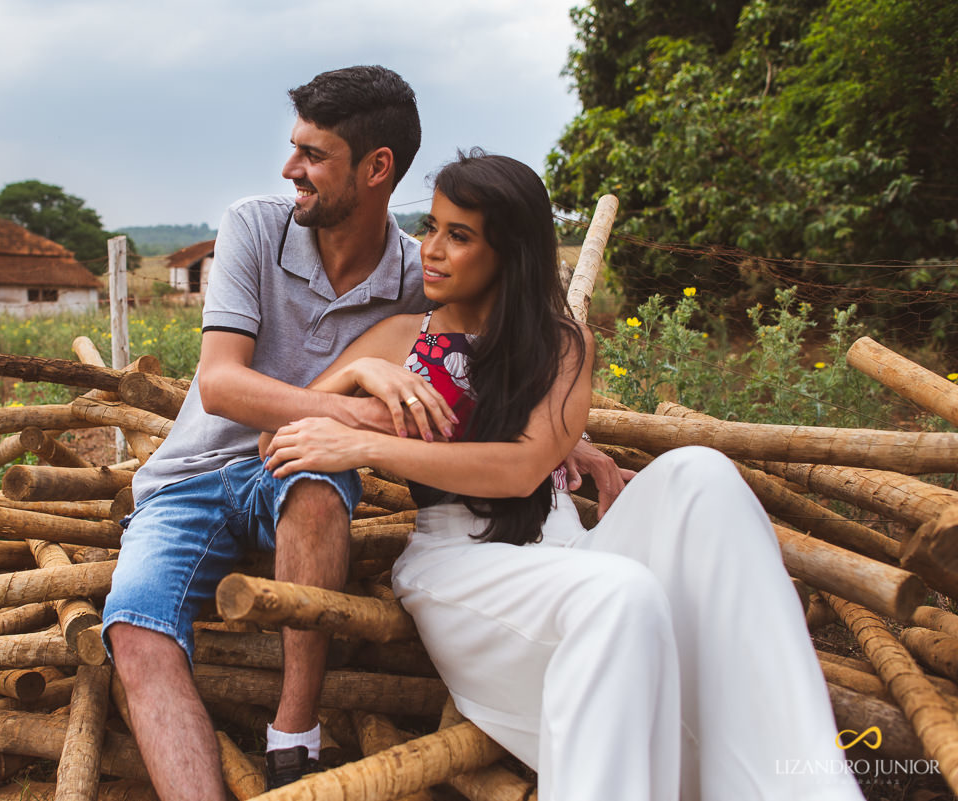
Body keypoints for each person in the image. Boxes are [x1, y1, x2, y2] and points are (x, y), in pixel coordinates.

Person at [262, 151, 865, 800]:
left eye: (458, 235)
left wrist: (365, 439)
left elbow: (521, 467)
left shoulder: (560, 344)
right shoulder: (400, 339)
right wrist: (356, 377)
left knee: (702, 474)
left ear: (510, 252)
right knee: (621, 593)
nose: (430, 250)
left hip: (565, 546)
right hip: (462, 565)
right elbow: (276, 436)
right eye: (430, 227)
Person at [101, 64, 443, 800]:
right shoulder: (255, 226)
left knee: (318, 482)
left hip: (297, 472)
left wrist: (566, 437)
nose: (291, 168)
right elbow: (221, 384)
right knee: (133, 626)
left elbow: (515, 344)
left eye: (314, 155)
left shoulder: (418, 273)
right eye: (295, 148)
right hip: (188, 480)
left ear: (377, 168)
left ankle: (294, 739)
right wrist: (348, 410)